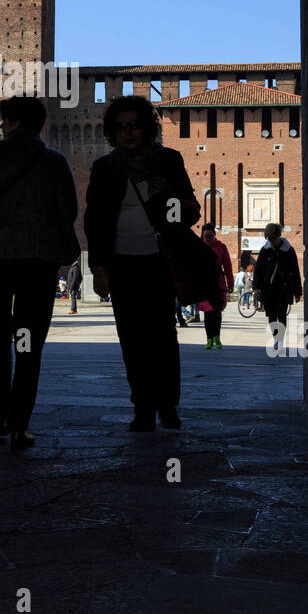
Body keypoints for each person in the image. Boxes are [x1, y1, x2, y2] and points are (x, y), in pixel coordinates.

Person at [0, 95, 79, 451]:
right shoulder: (55, 161)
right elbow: (68, 211)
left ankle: (3, 412)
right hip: (38, 265)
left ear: (9, 122)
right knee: (28, 342)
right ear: (39, 124)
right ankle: (21, 424)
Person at [83, 95, 200, 432]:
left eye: (134, 125)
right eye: (121, 128)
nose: (129, 133)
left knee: (163, 335)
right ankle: (143, 407)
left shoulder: (169, 161)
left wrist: (168, 204)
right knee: (131, 338)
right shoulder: (104, 168)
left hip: (161, 261)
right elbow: (95, 220)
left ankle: (168, 405)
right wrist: (99, 267)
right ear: (112, 133)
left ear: (147, 128)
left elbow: (189, 206)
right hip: (121, 263)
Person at [252, 222, 303, 352]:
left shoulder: (288, 250)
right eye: (269, 239)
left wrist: (297, 291)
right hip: (268, 288)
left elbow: (295, 271)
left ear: (279, 235)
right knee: (271, 315)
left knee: (282, 314)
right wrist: (256, 288)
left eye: (273, 238)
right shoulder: (265, 250)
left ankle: (280, 341)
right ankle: (276, 338)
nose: (272, 241)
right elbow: (258, 270)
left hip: (283, 288)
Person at [198, 223, 234, 349]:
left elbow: (228, 266)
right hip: (204, 284)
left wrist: (231, 284)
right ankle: (209, 339)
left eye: (211, 236)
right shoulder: (198, 247)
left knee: (217, 311)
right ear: (202, 235)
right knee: (208, 313)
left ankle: (216, 337)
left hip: (218, 283)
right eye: (206, 236)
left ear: (214, 234)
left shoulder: (221, 247)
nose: (209, 238)